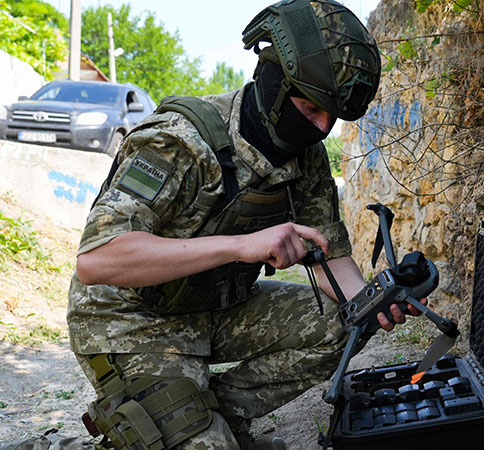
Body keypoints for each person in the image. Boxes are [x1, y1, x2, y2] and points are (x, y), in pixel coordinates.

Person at [3, 1, 424, 449]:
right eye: (309, 108)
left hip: (215, 307)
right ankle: (171, 422)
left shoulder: (308, 158)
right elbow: (98, 260)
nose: (321, 128)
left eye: (332, 118)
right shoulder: (179, 141)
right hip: (131, 317)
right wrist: (242, 246)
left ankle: (196, 416)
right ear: (274, 84)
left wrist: (374, 302)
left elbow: (331, 259)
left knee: (348, 322)